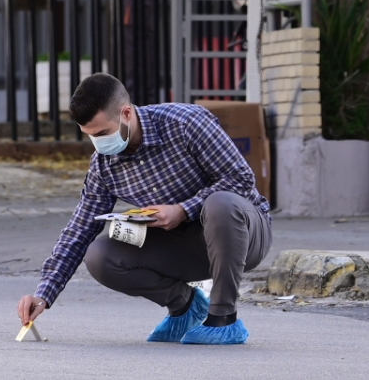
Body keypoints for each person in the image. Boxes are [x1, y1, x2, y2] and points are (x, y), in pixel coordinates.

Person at [18, 74, 271, 345]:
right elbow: (80, 228)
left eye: (102, 133)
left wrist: (183, 210)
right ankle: (185, 305)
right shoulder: (104, 164)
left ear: (126, 113)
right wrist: (44, 293)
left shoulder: (186, 123)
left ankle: (223, 318)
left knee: (220, 203)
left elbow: (240, 179)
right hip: (184, 247)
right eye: (90, 136)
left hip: (242, 235)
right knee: (100, 255)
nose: (98, 143)